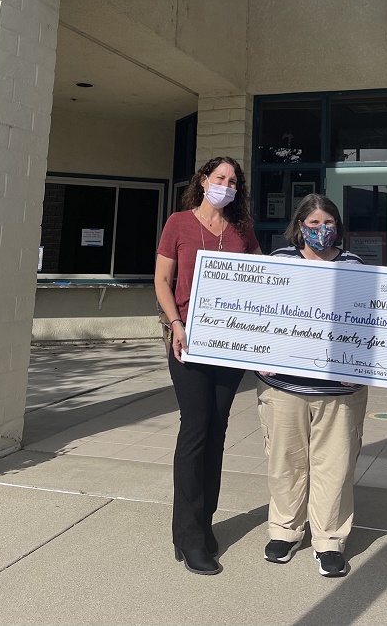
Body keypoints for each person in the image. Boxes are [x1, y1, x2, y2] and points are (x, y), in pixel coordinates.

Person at [155, 156, 261, 575]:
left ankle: (204, 522)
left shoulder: (242, 230)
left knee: (217, 431)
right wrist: (175, 324)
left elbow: (261, 278)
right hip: (188, 344)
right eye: (220, 178)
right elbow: (162, 281)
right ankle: (187, 534)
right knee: (196, 430)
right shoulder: (178, 223)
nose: (226, 185)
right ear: (203, 181)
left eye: (233, 181)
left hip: (229, 347)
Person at [257, 194, 368, 578]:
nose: (322, 230)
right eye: (314, 223)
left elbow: (366, 324)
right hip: (283, 386)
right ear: (299, 225)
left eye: (328, 223)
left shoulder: (354, 265)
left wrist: (362, 364)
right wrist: (259, 354)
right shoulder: (279, 262)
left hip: (339, 390)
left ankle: (329, 540)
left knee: (334, 466)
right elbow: (256, 312)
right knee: (284, 463)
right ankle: (285, 531)